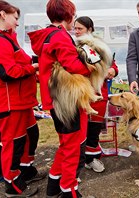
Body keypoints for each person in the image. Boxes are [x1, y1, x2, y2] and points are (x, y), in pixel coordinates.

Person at [28, 1, 94, 197]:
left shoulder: (47, 36)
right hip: (67, 101)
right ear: (69, 15)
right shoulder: (60, 36)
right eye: (73, 15)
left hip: (55, 99)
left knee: (66, 144)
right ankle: (69, 190)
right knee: (73, 147)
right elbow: (72, 65)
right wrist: (92, 66)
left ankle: (54, 185)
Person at [0, 0, 44, 196]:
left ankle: (25, 170)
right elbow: (6, 72)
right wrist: (34, 68)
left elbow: (20, 61)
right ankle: (12, 185)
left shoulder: (7, 39)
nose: (17, 23)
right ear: (3, 15)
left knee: (30, 135)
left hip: (21, 101)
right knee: (13, 143)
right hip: (8, 102)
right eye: (15, 18)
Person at [74, 16, 119, 173]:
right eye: (75, 28)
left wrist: (113, 70)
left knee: (94, 128)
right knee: (80, 130)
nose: (76, 31)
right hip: (80, 94)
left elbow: (111, 64)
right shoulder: (72, 46)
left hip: (98, 94)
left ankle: (91, 158)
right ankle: (79, 159)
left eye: (80, 28)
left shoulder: (100, 46)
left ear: (90, 29)